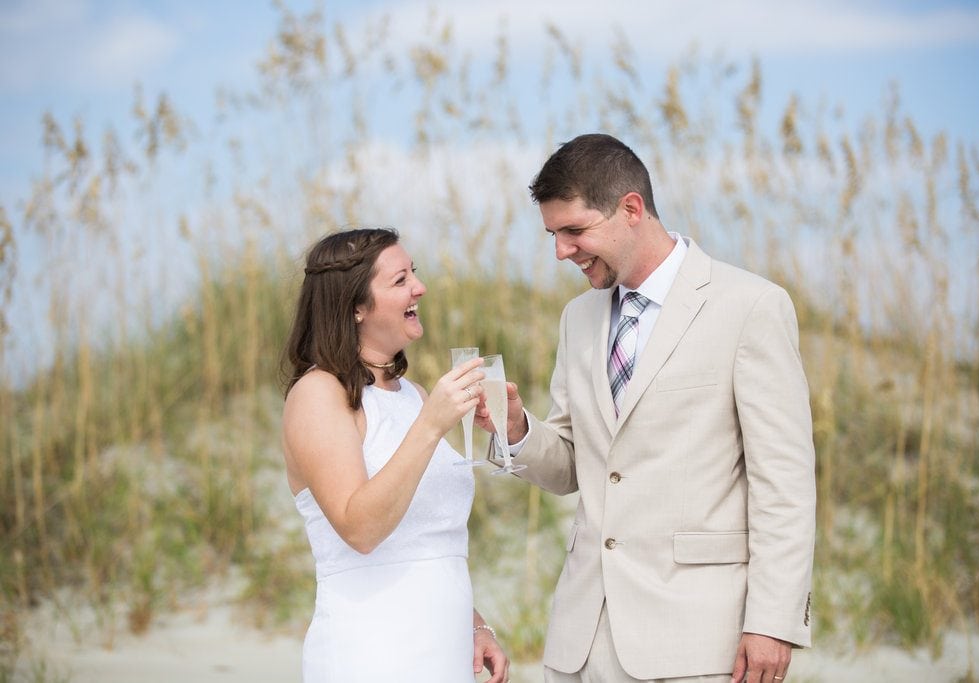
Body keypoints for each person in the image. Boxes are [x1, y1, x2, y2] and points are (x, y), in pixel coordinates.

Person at [480, 134, 816, 682]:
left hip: (699, 643)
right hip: (581, 644)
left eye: (574, 231)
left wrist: (774, 621)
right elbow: (572, 466)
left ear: (631, 209)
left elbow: (784, 483)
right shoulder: (578, 318)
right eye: (552, 234)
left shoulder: (750, 306)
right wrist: (516, 429)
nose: (561, 251)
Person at [281, 227, 510, 683]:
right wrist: (430, 426)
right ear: (356, 307)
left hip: (444, 654)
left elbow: (425, 540)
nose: (419, 288)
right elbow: (361, 529)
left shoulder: (414, 394)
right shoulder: (317, 394)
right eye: (400, 279)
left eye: (415, 274)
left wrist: (474, 623)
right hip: (371, 655)